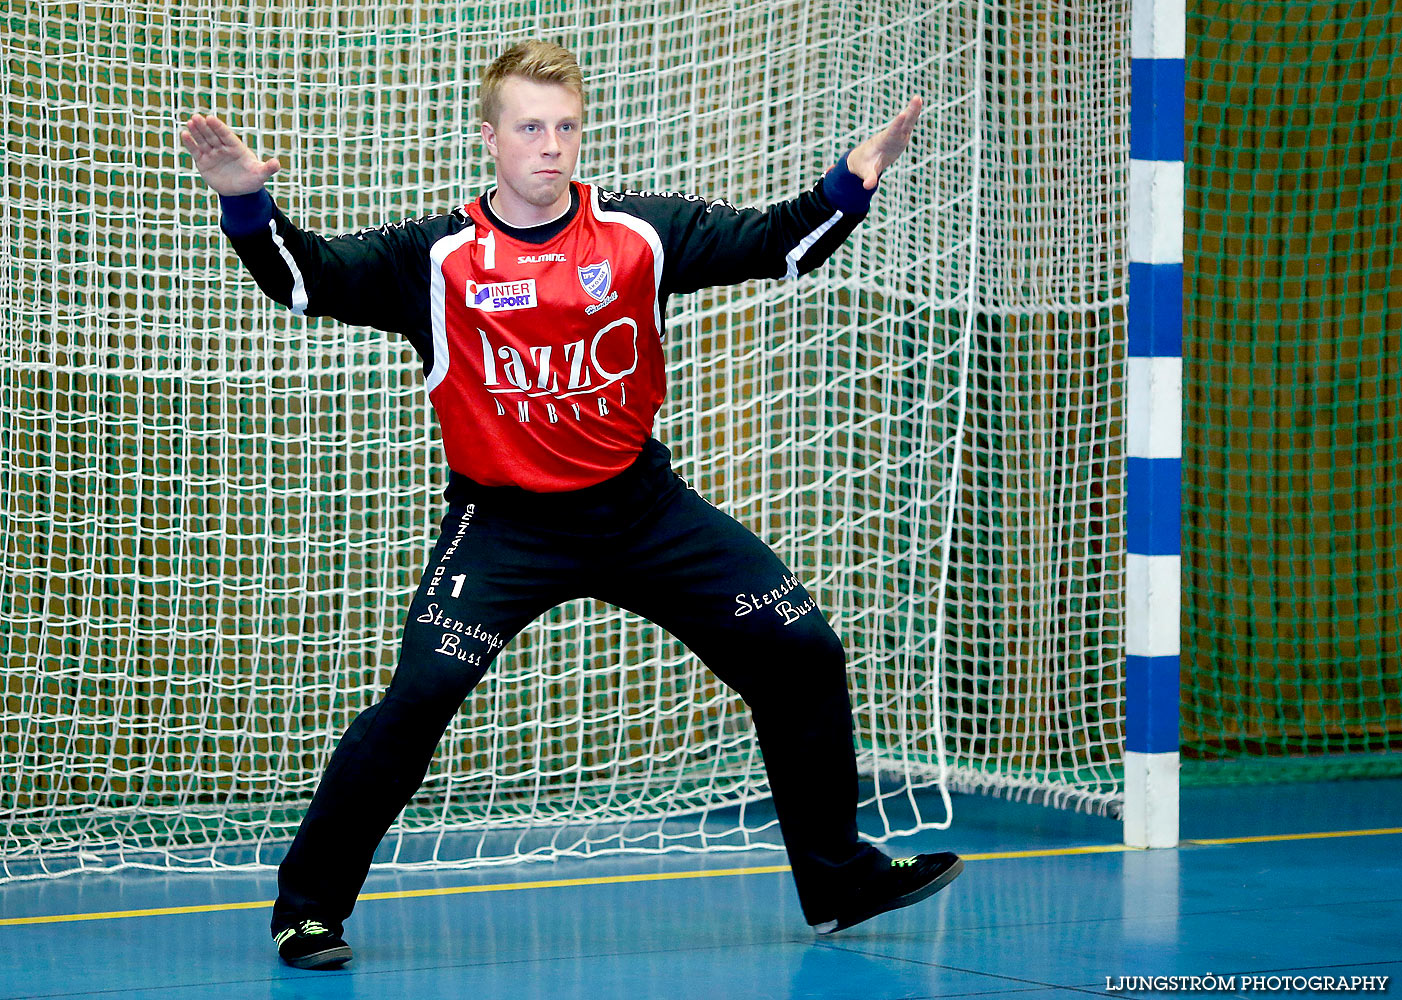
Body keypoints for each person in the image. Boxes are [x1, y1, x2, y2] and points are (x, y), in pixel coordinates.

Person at [181, 39, 962, 971]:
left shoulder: (637, 233)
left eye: (564, 128)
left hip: (642, 510)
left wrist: (852, 182)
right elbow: (305, 280)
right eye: (529, 128)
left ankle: (838, 880)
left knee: (800, 649)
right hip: (505, 524)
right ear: (491, 139)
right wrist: (243, 199)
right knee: (421, 696)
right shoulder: (436, 258)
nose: (549, 147)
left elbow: (772, 244)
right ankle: (306, 908)